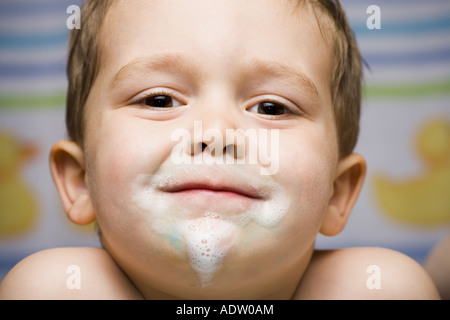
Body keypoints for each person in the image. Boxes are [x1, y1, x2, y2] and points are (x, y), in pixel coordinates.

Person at [0, 0, 440, 299]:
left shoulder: (373, 286)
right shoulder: (60, 287)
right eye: (159, 100)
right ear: (80, 183)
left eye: (271, 107)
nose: (215, 133)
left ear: (337, 192)